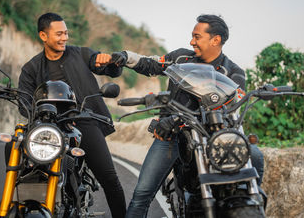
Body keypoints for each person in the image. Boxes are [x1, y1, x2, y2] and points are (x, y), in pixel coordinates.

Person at [110, 14, 264, 217]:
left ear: (215, 40)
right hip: (170, 135)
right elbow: (152, 64)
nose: (192, 41)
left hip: (208, 138)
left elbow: (231, 107)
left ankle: (251, 200)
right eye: (192, 36)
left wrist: (179, 120)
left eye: (197, 36)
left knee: (254, 155)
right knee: (142, 194)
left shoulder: (233, 72)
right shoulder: (181, 58)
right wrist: (124, 57)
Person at [17, 12, 126, 217]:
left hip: (84, 122)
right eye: (59, 34)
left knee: (110, 178)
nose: (64, 38)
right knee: (23, 165)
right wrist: (37, 114)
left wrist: (110, 62)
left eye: (66, 33)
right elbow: (24, 101)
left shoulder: (81, 54)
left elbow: (102, 65)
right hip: (48, 127)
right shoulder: (31, 68)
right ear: (43, 36)